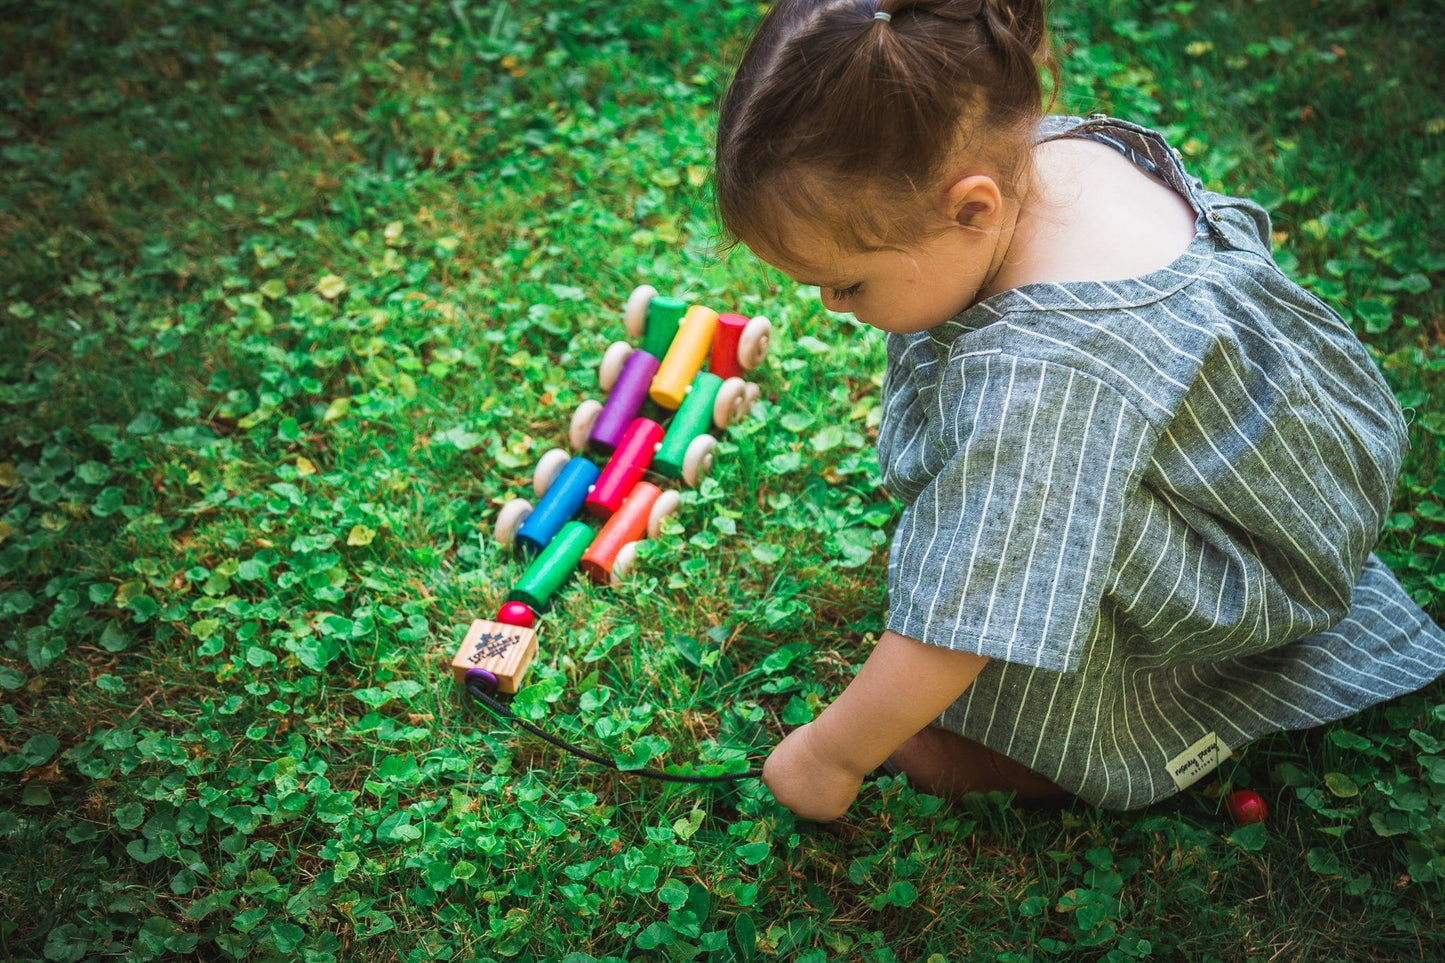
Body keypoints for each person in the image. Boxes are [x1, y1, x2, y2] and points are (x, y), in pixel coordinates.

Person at [713, 0, 1445, 820]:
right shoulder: (1045, 153)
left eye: (847, 283)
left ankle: (1110, 734)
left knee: (999, 599)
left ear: (974, 208)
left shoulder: (1041, 374)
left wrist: (832, 752)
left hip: (1246, 561)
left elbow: (968, 605)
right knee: (1018, 509)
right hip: (1283, 469)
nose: (827, 303)